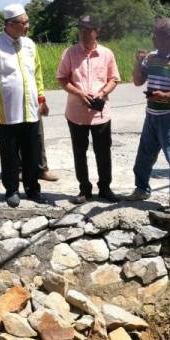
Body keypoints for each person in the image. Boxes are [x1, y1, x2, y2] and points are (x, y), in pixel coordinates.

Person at [0, 3, 49, 208]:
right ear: (10, 24)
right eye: (24, 22)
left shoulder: (30, 45)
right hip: (6, 112)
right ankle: (11, 190)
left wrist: (42, 99)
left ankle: (32, 188)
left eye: (27, 21)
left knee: (32, 152)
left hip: (30, 110)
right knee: (10, 153)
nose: (27, 26)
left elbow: (36, 74)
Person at [127, 18, 170, 207]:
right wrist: (138, 62)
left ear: (168, 37)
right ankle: (141, 189)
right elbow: (138, 81)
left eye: (156, 35)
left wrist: (165, 96)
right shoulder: (151, 57)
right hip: (152, 114)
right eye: (153, 34)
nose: (152, 38)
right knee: (144, 155)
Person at [56, 15, 121, 204]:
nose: (84, 33)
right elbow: (61, 78)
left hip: (101, 114)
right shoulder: (70, 53)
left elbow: (114, 79)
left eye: (88, 30)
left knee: (103, 151)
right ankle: (84, 188)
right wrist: (79, 93)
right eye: (81, 29)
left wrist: (102, 93)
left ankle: (105, 188)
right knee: (79, 151)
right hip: (76, 113)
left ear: (97, 31)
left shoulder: (107, 54)